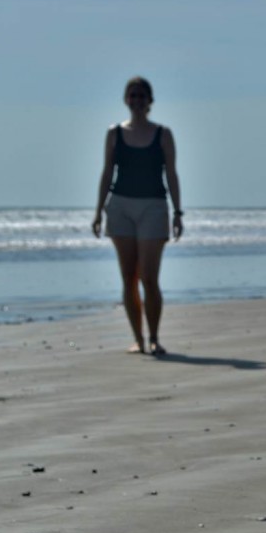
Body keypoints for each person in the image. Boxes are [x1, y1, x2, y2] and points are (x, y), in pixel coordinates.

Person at [91, 76, 183, 355]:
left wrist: (178, 212)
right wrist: (98, 211)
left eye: (142, 95)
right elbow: (107, 172)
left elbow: (171, 173)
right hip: (120, 207)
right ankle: (138, 339)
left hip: (153, 206)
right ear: (125, 99)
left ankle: (154, 337)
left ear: (150, 101)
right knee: (128, 276)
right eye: (133, 95)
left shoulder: (163, 134)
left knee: (149, 277)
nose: (137, 100)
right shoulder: (114, 133)